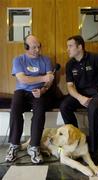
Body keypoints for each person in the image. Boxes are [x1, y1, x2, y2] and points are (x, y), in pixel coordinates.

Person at [60, 35, 98, 165]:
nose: (68, 49)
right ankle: (76, 142)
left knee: (93, 109)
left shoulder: (94, 58)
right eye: (68, 46)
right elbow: (70, 87)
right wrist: (80, 97)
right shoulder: (70, 64)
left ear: (80, 47)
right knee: (64, 106)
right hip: (80, 94)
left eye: (70, 46)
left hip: (97, 94)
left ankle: (93, 150)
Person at [5, 34, 54, 164]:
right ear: (26, 48)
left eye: (39, 47)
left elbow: (50, 81)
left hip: (39, 91)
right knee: (15, 109)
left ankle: (34, 147)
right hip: (21, 91)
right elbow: (23, 79)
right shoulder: (18, 60)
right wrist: (43, 78)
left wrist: (43, 89)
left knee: (39, 111)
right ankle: (14, 145)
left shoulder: (46, 60)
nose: (37, 50)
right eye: (33, 48)